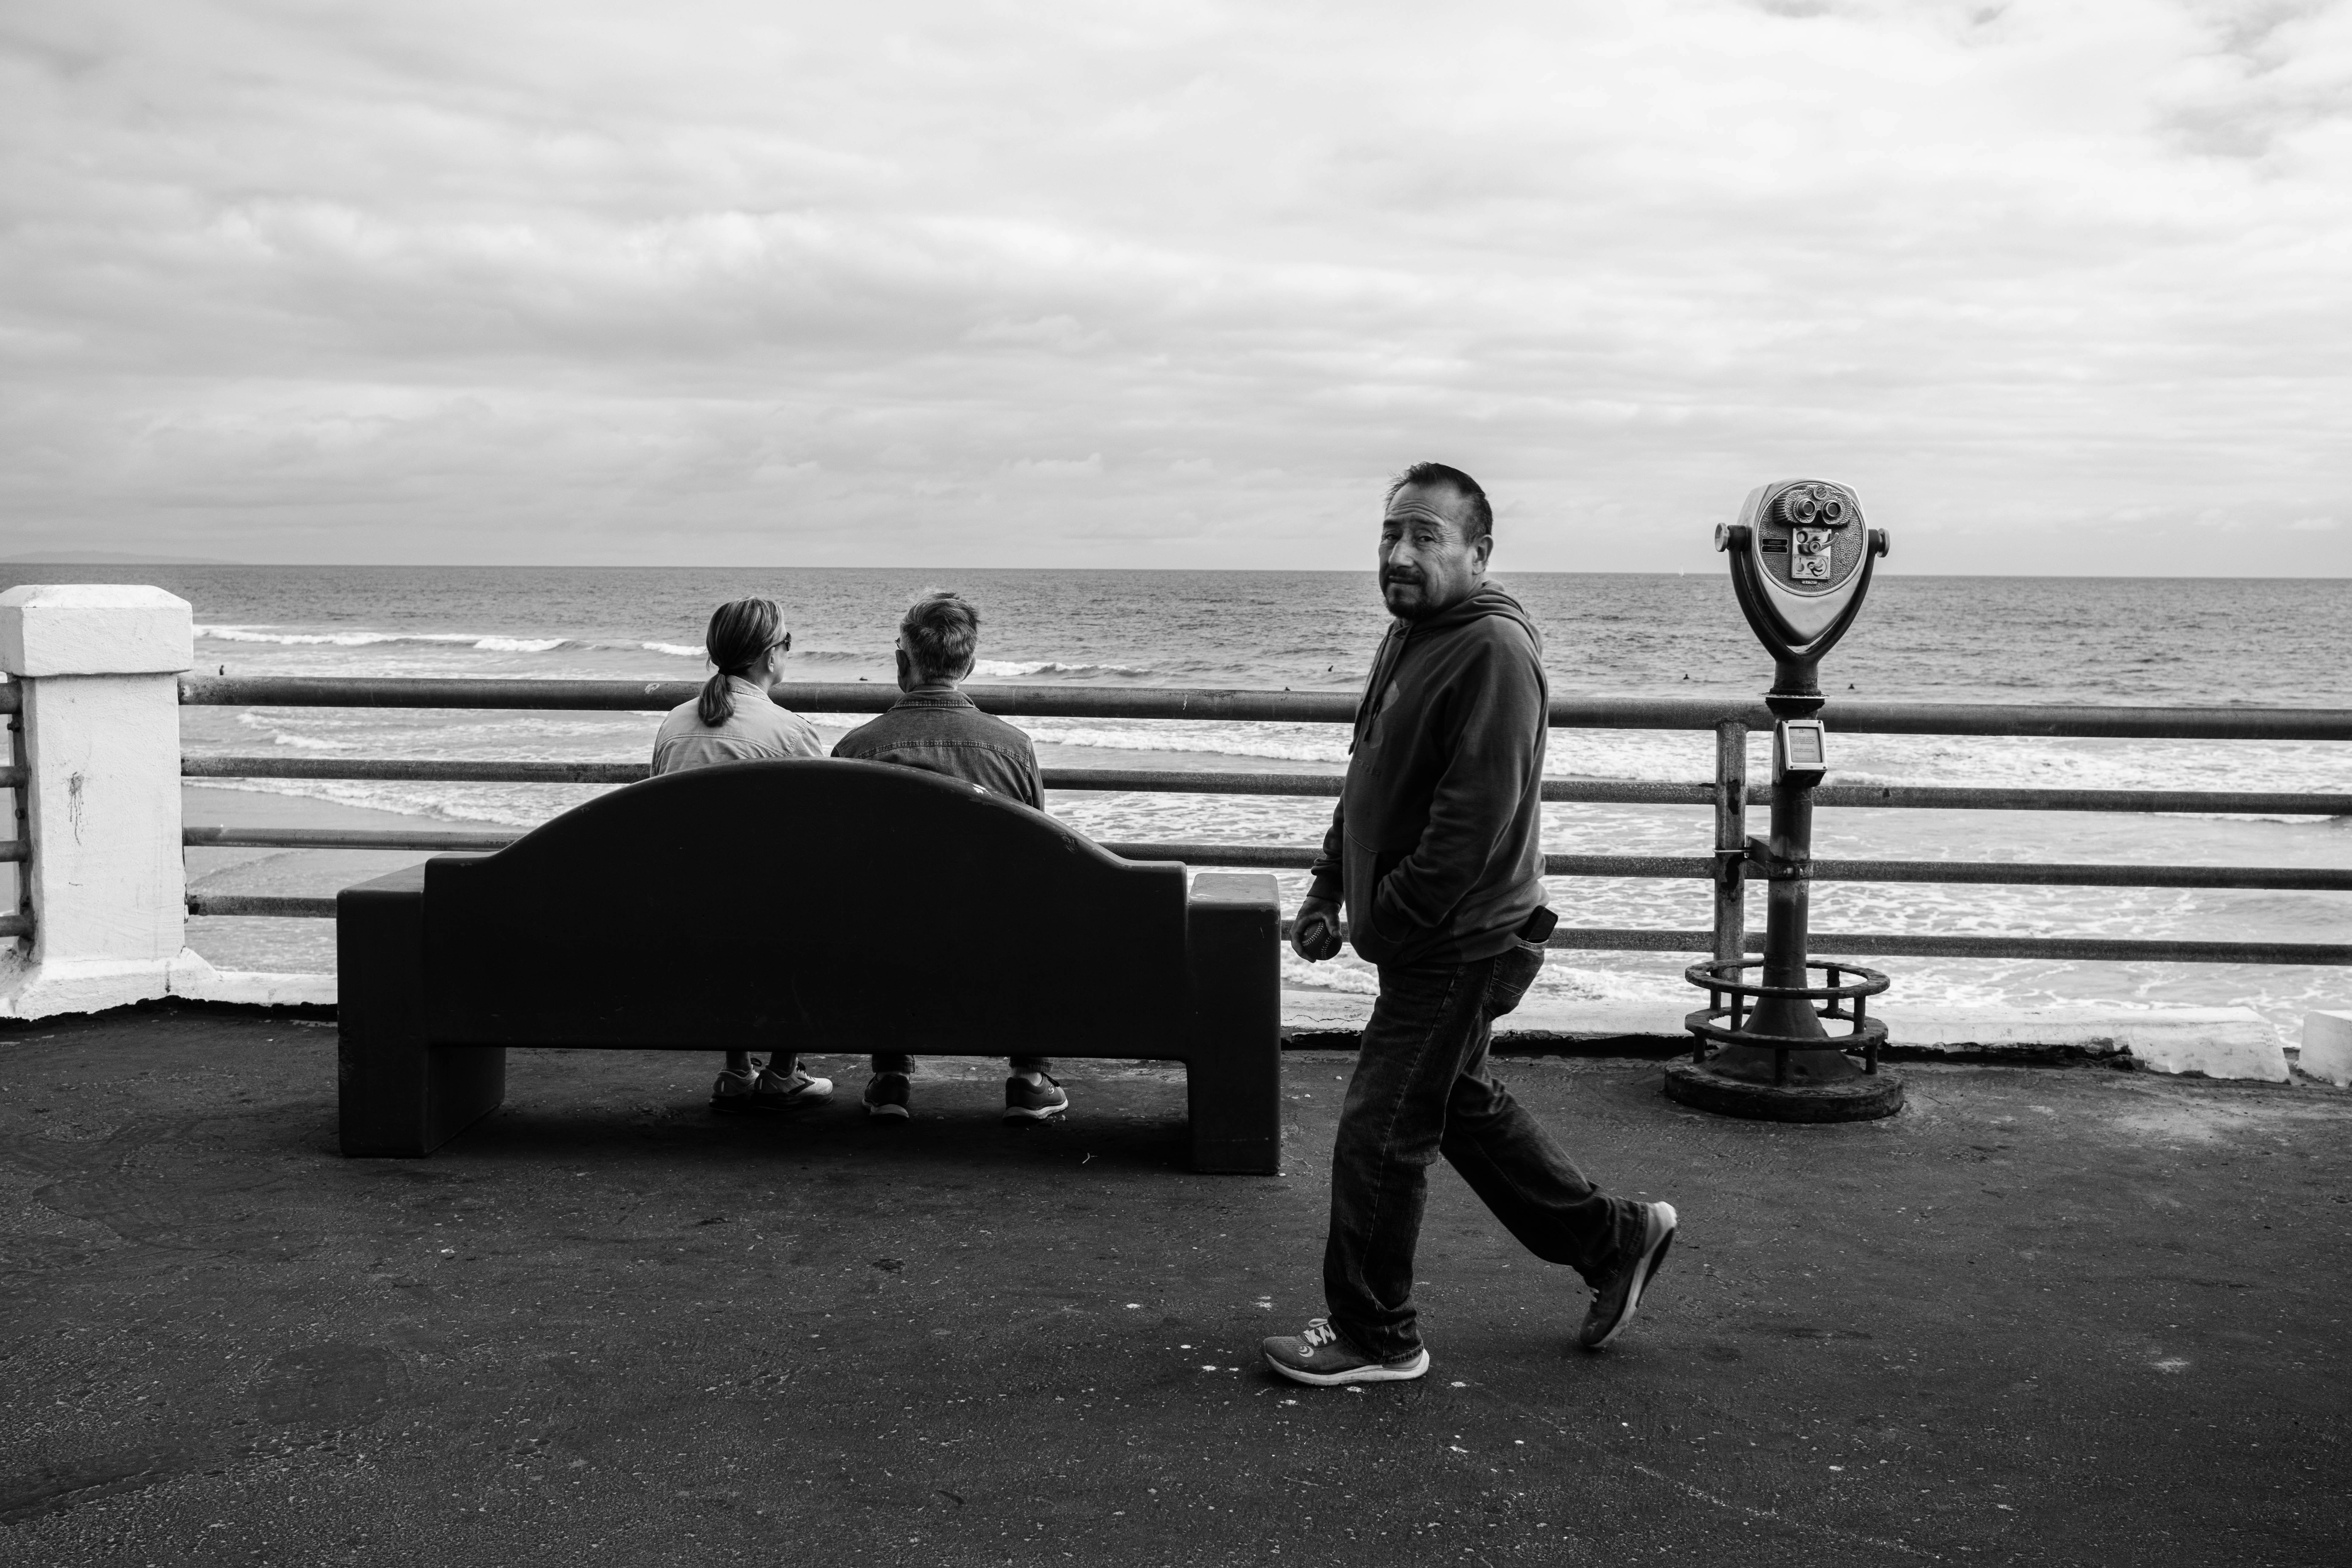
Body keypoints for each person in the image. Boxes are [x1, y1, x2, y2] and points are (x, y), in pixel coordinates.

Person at [1261, 462, 1678, 1387]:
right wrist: (1329, 889)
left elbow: (1470, 824)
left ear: (1479, 553)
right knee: (1453, 1105)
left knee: (1382, 1129)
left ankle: (1377, 1333)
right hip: (1429, 937)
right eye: (1389, 534)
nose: (1399, 554)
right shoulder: (1411, 636)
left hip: (1461, 942)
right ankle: (1615, 1242)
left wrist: (1386, 919)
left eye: (1425, 537)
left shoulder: (1491, 652)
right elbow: (1366, 778)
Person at [831, 590, 1068, 1124]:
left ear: (901, 663)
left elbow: (845, 871)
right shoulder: (1013, 749)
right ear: (971, 664)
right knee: (1031, 906)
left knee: (881, 907)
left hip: (889, 954)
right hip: (990, 949)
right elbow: (1038, 861)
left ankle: (891, 1073)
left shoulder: (855, 750)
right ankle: (1029, 1077)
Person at [650, 596, 835, 1115]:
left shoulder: (674, 724)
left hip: (688, 908)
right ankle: (781, 1072)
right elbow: (819, 834)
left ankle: (737, 1070)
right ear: (770, 657)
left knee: (726, 886)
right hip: (766, 916)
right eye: (787, 644)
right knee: (803, 896)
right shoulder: (789, 731)